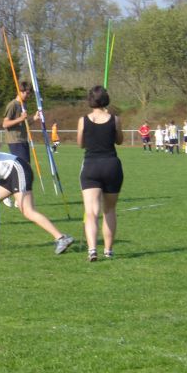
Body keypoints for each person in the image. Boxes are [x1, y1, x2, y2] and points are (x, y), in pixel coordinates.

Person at [77, 85, 124, 262]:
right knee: (109, 210)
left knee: (91, 212)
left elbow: (81, 144)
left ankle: (92, 250)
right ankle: (108, 250)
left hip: (91, 166)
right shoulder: (115, 119)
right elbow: (119, 140)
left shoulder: (83, 120)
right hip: (111, 165)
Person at [1, 81, 39, 207]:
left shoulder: (23, 105)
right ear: (20, 91)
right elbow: (5, 124)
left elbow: (24, 123)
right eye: (26, 93)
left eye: (29, 94)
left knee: (23, 168)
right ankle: (14, 196)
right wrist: (20, 118)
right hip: (15, 140)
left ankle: (10, 193)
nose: (28, 96)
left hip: (23, 140)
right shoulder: (13, 105)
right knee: (23, 169)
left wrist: (33, 118)